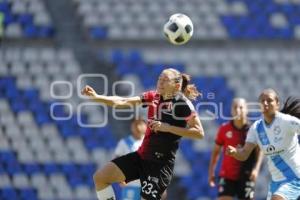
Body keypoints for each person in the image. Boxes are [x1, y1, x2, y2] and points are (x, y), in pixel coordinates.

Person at [81, 68, 205, 200]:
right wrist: (97, 97)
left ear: (177, 85)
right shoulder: (153, 96)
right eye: (159, 79)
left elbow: (199, 132)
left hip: (159, 165)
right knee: (100, 178)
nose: (160, 82)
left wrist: (167, 127)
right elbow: (123, 102)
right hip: (141, 157)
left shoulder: (183, 103)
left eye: (165, 80)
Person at [226, 89, 300, 200]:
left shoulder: (287, 121)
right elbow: (244, 154)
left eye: (269, 100)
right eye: (262, 101)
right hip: (276, 182)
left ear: (277, 104)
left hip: (294, 178)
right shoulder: (256, 128)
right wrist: (235, 152)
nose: (265, 103)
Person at [208, 98, 264, 200]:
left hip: (246, 174)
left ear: (246, 110)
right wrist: (211, 171)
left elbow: (259, 151)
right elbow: (216, 151)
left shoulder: (253, 129)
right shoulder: (224, 129)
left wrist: (256, 169)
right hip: (227, 175)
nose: (238, 110)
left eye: (241, 107)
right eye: (235, 107)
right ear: (231, 110)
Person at [114, 119, 146, 200]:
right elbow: (116, 162)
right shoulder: (124, 142)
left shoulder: (150, 143)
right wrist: (120, 178)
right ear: (131, 127)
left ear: (146, 126)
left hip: (147, 186)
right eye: (135, 125)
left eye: (140, 124)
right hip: (131, 185)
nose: (138, 127)